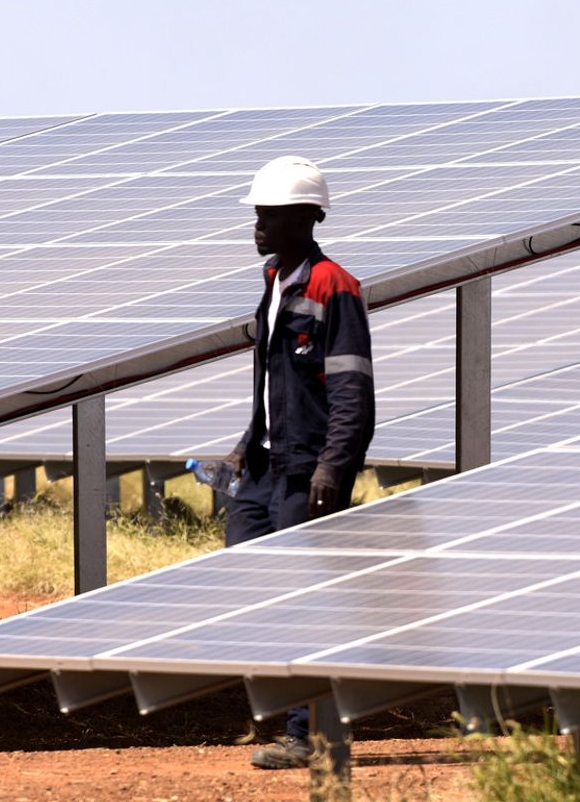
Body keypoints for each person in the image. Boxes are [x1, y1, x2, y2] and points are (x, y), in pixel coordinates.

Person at [222, 155, 376, 771]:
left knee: (309, 598)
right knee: (256, 583)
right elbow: (271, 380)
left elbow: (352, 393)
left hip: (306, 470)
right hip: (264, 466)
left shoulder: (332, 286)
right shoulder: (273, 280)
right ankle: (292, 713)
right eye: (258, 214)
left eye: (272, 215)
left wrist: (332, 470)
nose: (259, 225)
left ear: (308, 218)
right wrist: (245, 440)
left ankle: (308, 733)